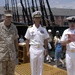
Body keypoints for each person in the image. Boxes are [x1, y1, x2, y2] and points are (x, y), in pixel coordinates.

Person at [25, 11, 49, 75]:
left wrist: (45, 49)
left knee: (40, 66)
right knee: (33, 65)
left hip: (41, 49)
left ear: (40, 19)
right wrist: (27, 51)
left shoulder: (43, 29)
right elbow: (27, 40)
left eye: (38, 18)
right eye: (36, 18)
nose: (37, 19)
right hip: (33, 49)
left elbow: (46, 39)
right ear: (33, 19)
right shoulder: (30, 29)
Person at [0, 10, 18, 75]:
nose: (9, 18)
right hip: (2, 55)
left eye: (10, 17)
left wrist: (17, 50)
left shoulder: (14, 27)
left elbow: (16, 39)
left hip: (12, 55)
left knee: (11, 73)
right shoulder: (0, 27)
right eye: (7, 17)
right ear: (4, 17)